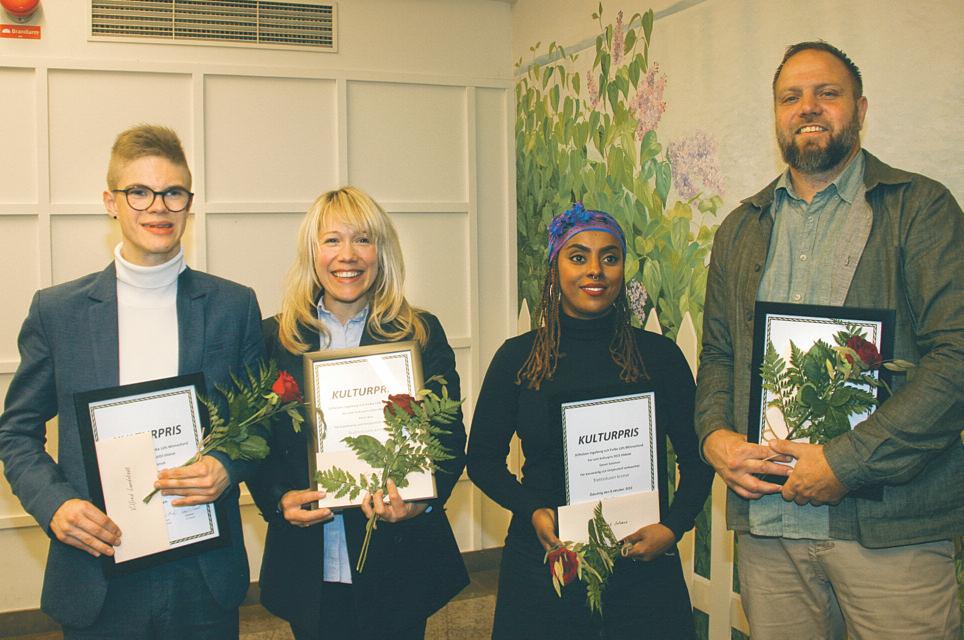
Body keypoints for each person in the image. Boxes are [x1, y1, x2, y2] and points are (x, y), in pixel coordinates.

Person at [696, 41, 963, 640]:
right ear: (776, 115)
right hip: (768, 530)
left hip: (892, 533)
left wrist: (844, 463)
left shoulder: (921, 210)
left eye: (828, 93)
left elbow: (957, 359)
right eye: (791, 97)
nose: (808, 107)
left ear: (860, 109)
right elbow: (718, 354)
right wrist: (715, 436)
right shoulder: (740, 229)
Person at [0, 124, 264, 637]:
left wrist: (228, 466)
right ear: (111, 202)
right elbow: (15, 432)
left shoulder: (234, 306)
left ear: (190, 203)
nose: (158, 207)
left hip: (202, 570)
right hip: (99, 565)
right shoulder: (58, 312)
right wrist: (56, 505)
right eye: (139, 192)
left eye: (173, 193)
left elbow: (259, 423)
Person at [467, 204, 714, 639]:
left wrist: (672, 528)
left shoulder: (659, 358)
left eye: (610, 257)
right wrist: (532, 510)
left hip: (643, 562)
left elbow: (698, 459)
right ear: (555, 267)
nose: (595, 270)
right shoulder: (518, 358)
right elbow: (482, 460)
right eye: (578, 257)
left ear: (622, 269)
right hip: (546, 558)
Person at [246, 186, 468, 640]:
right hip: (310, 562)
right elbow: (256, 443)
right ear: (312, 253)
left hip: (399, 561)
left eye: (363, 239)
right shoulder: (274, 339)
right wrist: (277, 500)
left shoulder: (420, 333)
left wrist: (419, 502)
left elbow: (448, 437)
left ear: (381, 252)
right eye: (332, 240)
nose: (347, 255)